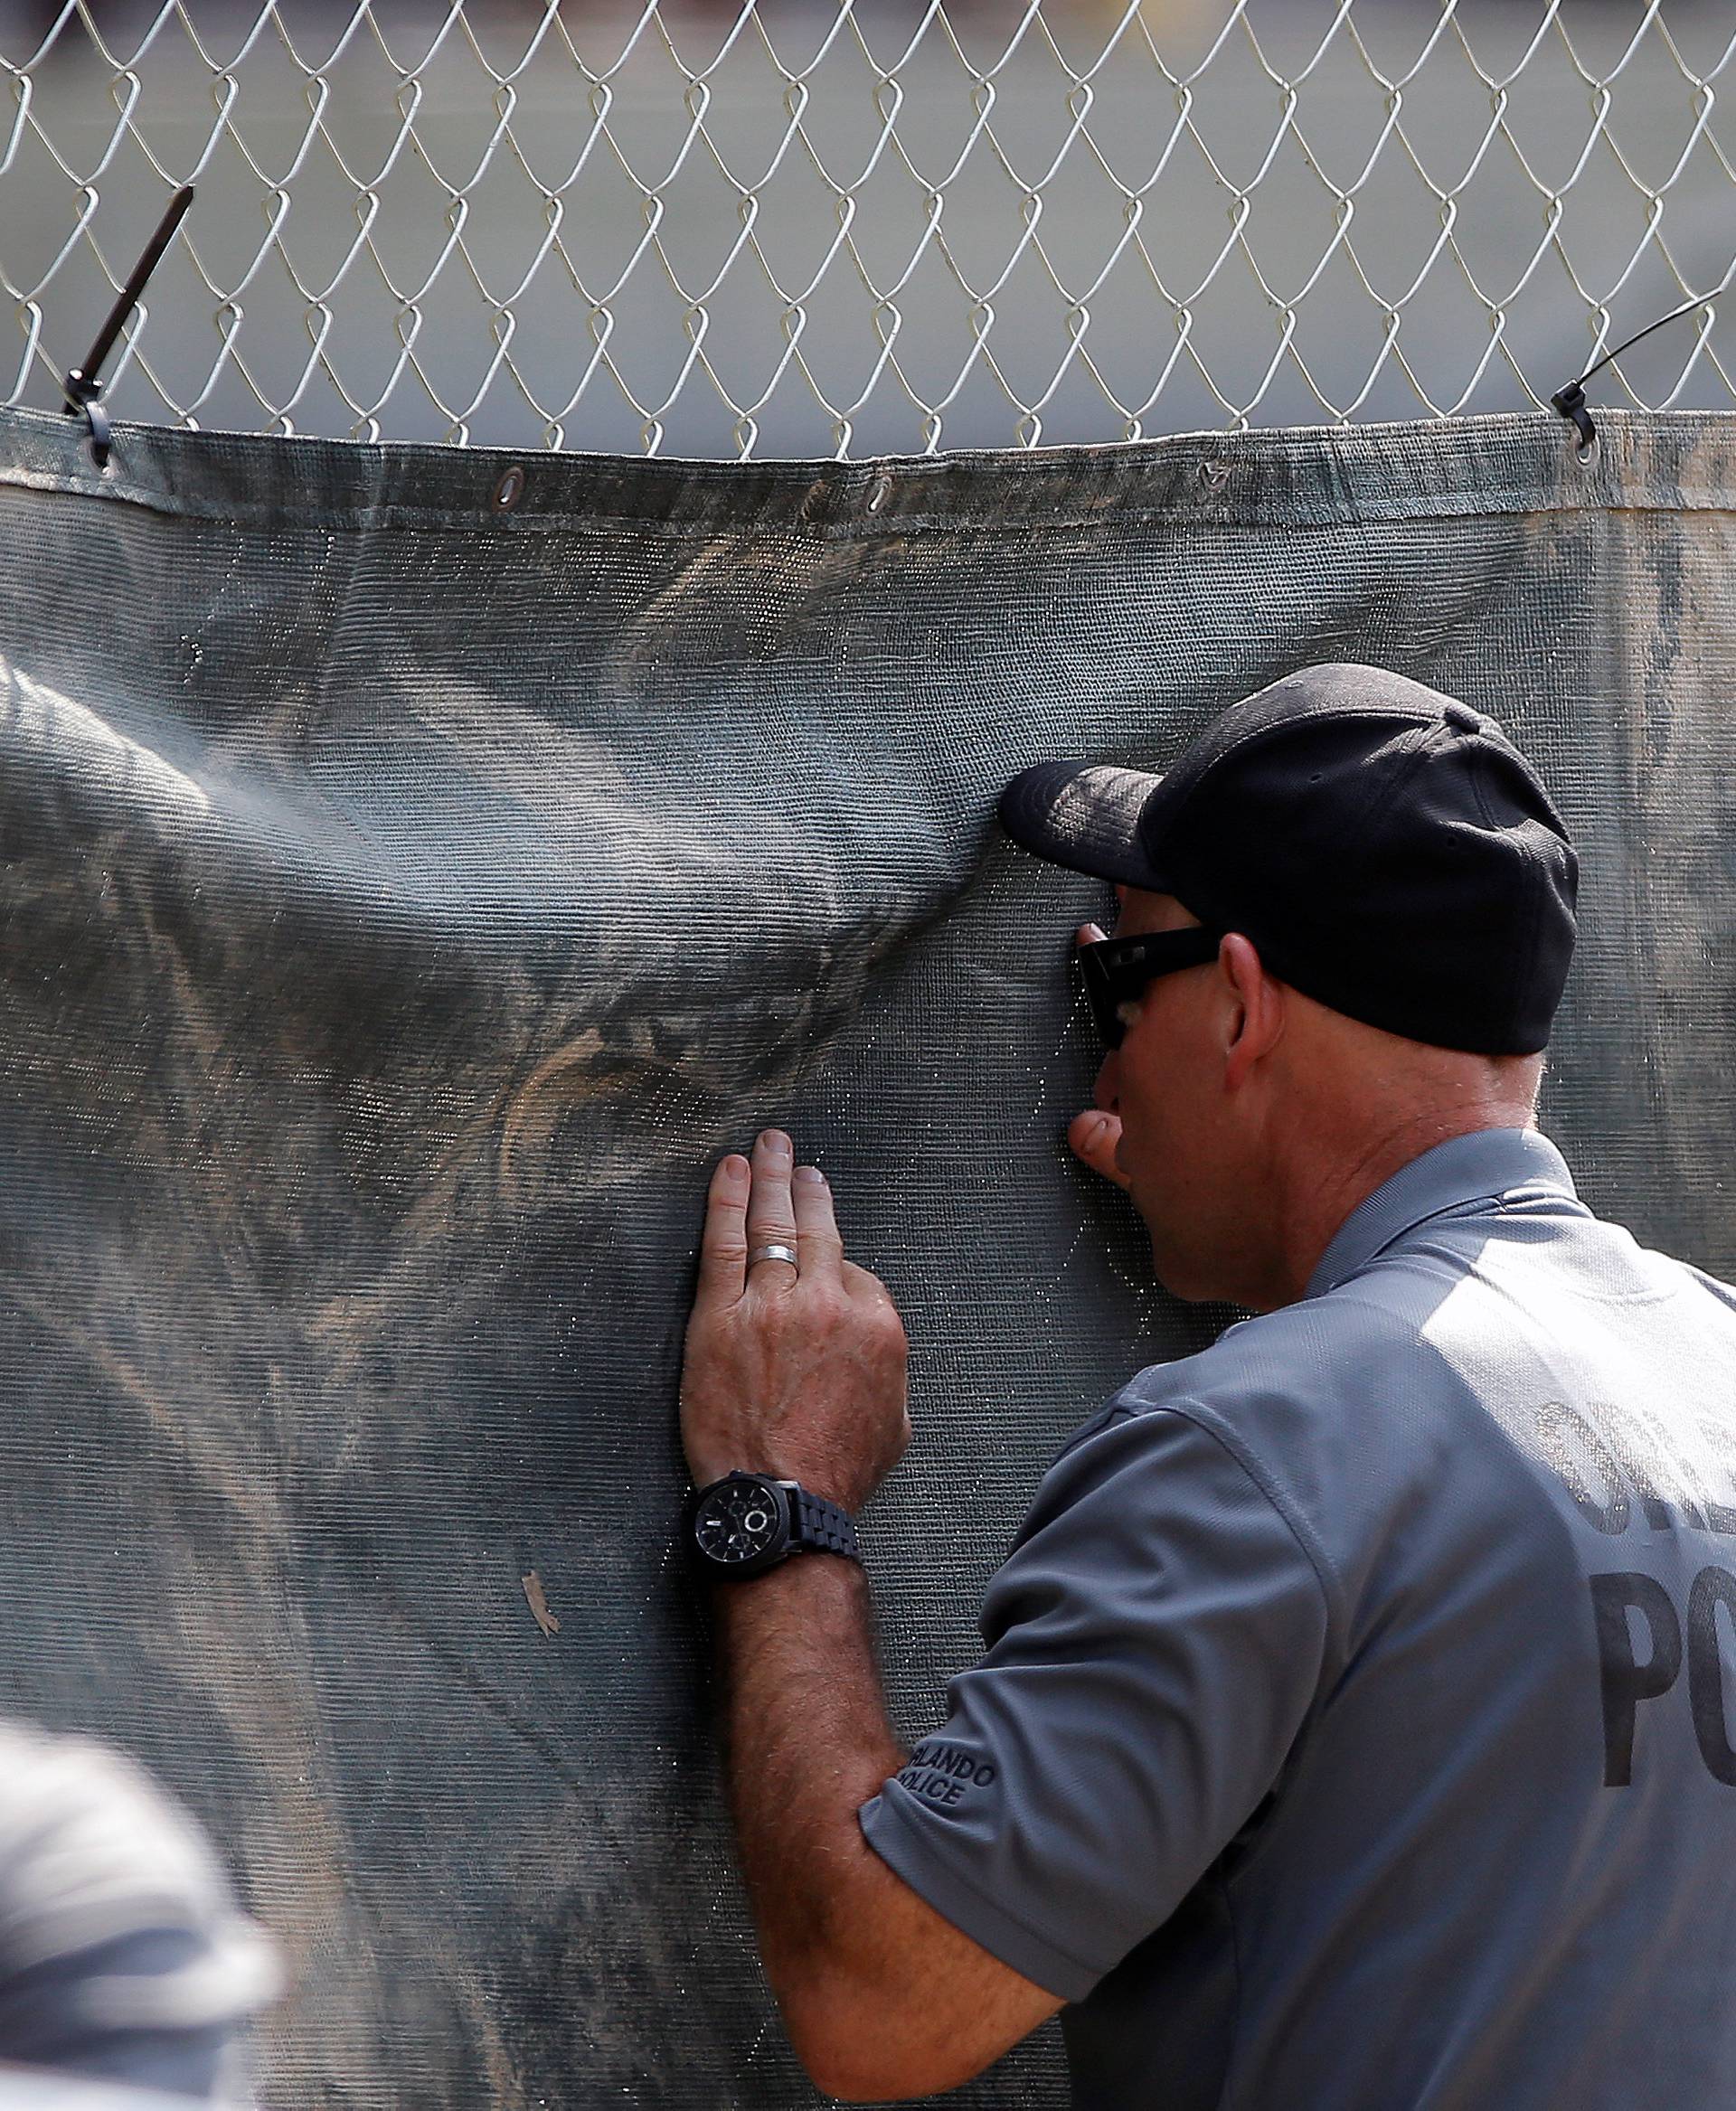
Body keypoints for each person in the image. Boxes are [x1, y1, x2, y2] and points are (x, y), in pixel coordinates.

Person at [677, 663, 1736, 2108]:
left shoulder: (1254, 1450)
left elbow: (883, 1999)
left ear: (1238, 1010)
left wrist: (781, 1495)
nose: (1105, 1049)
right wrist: (1296, 1255)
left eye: (1121, 977)